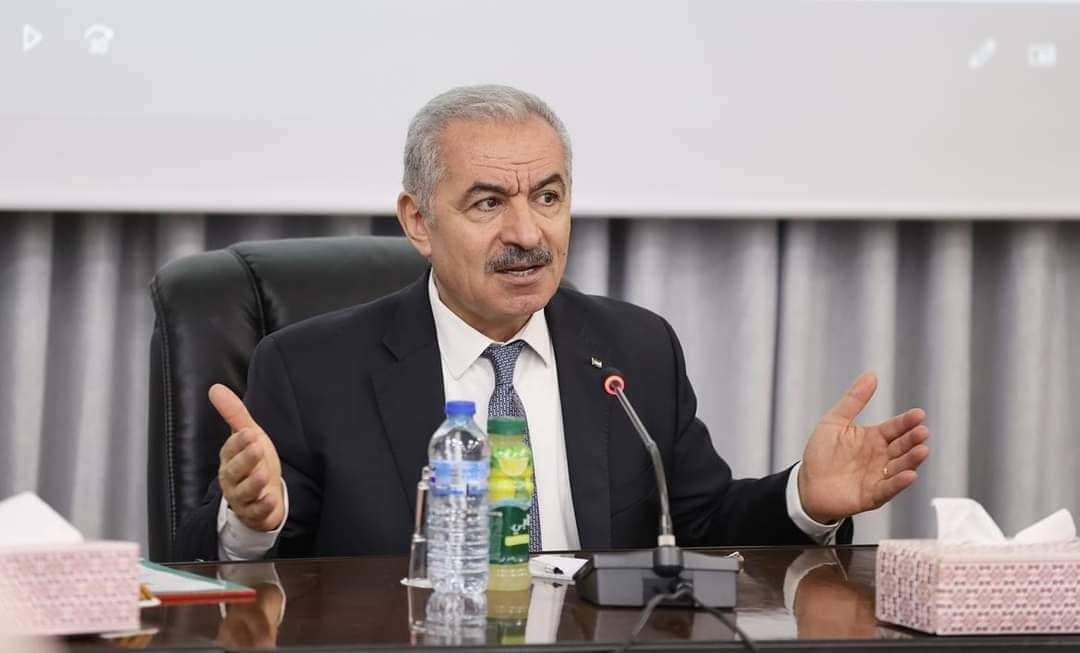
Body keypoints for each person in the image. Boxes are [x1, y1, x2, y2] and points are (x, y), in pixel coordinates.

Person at [175, 85, 930, 561]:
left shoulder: (635, 349)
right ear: (418, 221)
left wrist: (804, 497)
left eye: (547, 197)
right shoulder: (311, 369)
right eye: (488, 203)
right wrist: (253, 520)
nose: (528, 233)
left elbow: (701, 527)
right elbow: (212, 565)